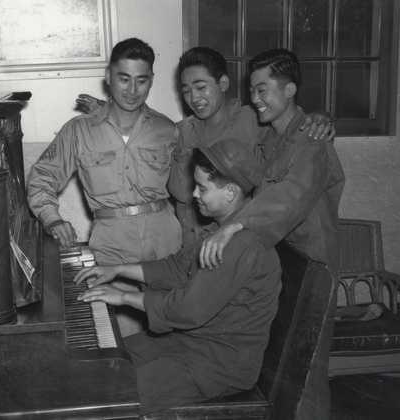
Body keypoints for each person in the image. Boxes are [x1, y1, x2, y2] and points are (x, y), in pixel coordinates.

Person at [75, 137, 282, 414]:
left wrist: (123, 296)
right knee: (111, 358)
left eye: (202, 188)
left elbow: (188, 309)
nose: (194, 194)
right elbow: (176, 268)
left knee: (115, 393)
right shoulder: (220, 231)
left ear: (231, 192)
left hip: (218, 364)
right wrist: (118, 269)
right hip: (191, 343)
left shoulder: (240, 244)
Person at [76, 46, 334, 252]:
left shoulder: (252, 119)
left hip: (242, 243)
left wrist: (318, 117)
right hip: (190, 245)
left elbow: (292, 153)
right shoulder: (180, 131)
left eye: (201, 87)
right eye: (186, 90)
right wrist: (109, 109)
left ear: (222, 84)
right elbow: (146, 129)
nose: (194, 98)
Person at [27, 38, 182, 336]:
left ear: (151, 81)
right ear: (108, 77)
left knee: (172, 323)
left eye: (141, 81)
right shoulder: (79, 130)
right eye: (124, 79)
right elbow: (42, 178)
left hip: (165, 239)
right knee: (118, 335)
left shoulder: (167, 129)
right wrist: (53, 218)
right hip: (112, 243)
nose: (132, 90)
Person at [199, 49, 345, 274]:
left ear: (289, 90)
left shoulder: (312, 140)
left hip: (312, 265)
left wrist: (235, 226)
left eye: (262, 91)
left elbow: (291, 194)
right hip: (279, 254)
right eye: (251, 91)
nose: (255, 99)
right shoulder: (267, 137)